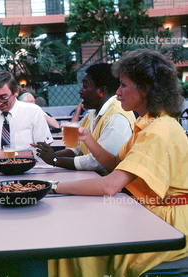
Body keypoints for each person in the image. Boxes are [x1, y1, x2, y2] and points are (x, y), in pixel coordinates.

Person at [40, 49, 188, 276]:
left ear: (145, 89)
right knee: (75, 230)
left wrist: (54, 187)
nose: (117, 93)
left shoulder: (158, 130)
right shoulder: (148, 123)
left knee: (75, 236)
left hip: (168, 224)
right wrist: (89, 138)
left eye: (123, 85)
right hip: (151, 211)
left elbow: (110, 185)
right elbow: (114, 163)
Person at [33, 63, 136, 174]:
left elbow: (98, 163)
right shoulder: (91, 114)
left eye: (85, 86)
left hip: (114, 188)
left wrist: (55, 160)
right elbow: (78, 149)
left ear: (101, 91)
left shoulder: (117, 117)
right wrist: (50, 154)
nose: (80, 91)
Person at [0, 70, 53, 160]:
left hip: (28, 170)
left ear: (16, 92)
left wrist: (10, 154)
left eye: (3, 98)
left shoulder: (34, 112)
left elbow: (46, 153)